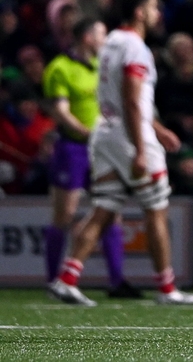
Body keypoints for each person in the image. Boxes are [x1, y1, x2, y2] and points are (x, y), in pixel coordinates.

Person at [48, 0, 193, 306]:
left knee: (104, 208)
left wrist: (158, 128)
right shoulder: (135, 47)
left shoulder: (110, 42)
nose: (158, 13)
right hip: (129, 136)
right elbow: (132, 100)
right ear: (139, 12)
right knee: (156, 208)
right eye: (153, 6)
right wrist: (142, 147)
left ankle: (67, 278)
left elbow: (122, 97)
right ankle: (167, 288)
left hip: (104, 132)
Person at [42, 17, 141, 298]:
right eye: (101, 34)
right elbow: (61, 111)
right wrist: (88, 132)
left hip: (103, 149)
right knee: (65, 214)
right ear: (87, 37)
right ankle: (53, 281)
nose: (105, 40)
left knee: (111, 212)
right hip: (73, 148)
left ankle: (117, 282)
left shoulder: (103, 66)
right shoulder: (60, 67)